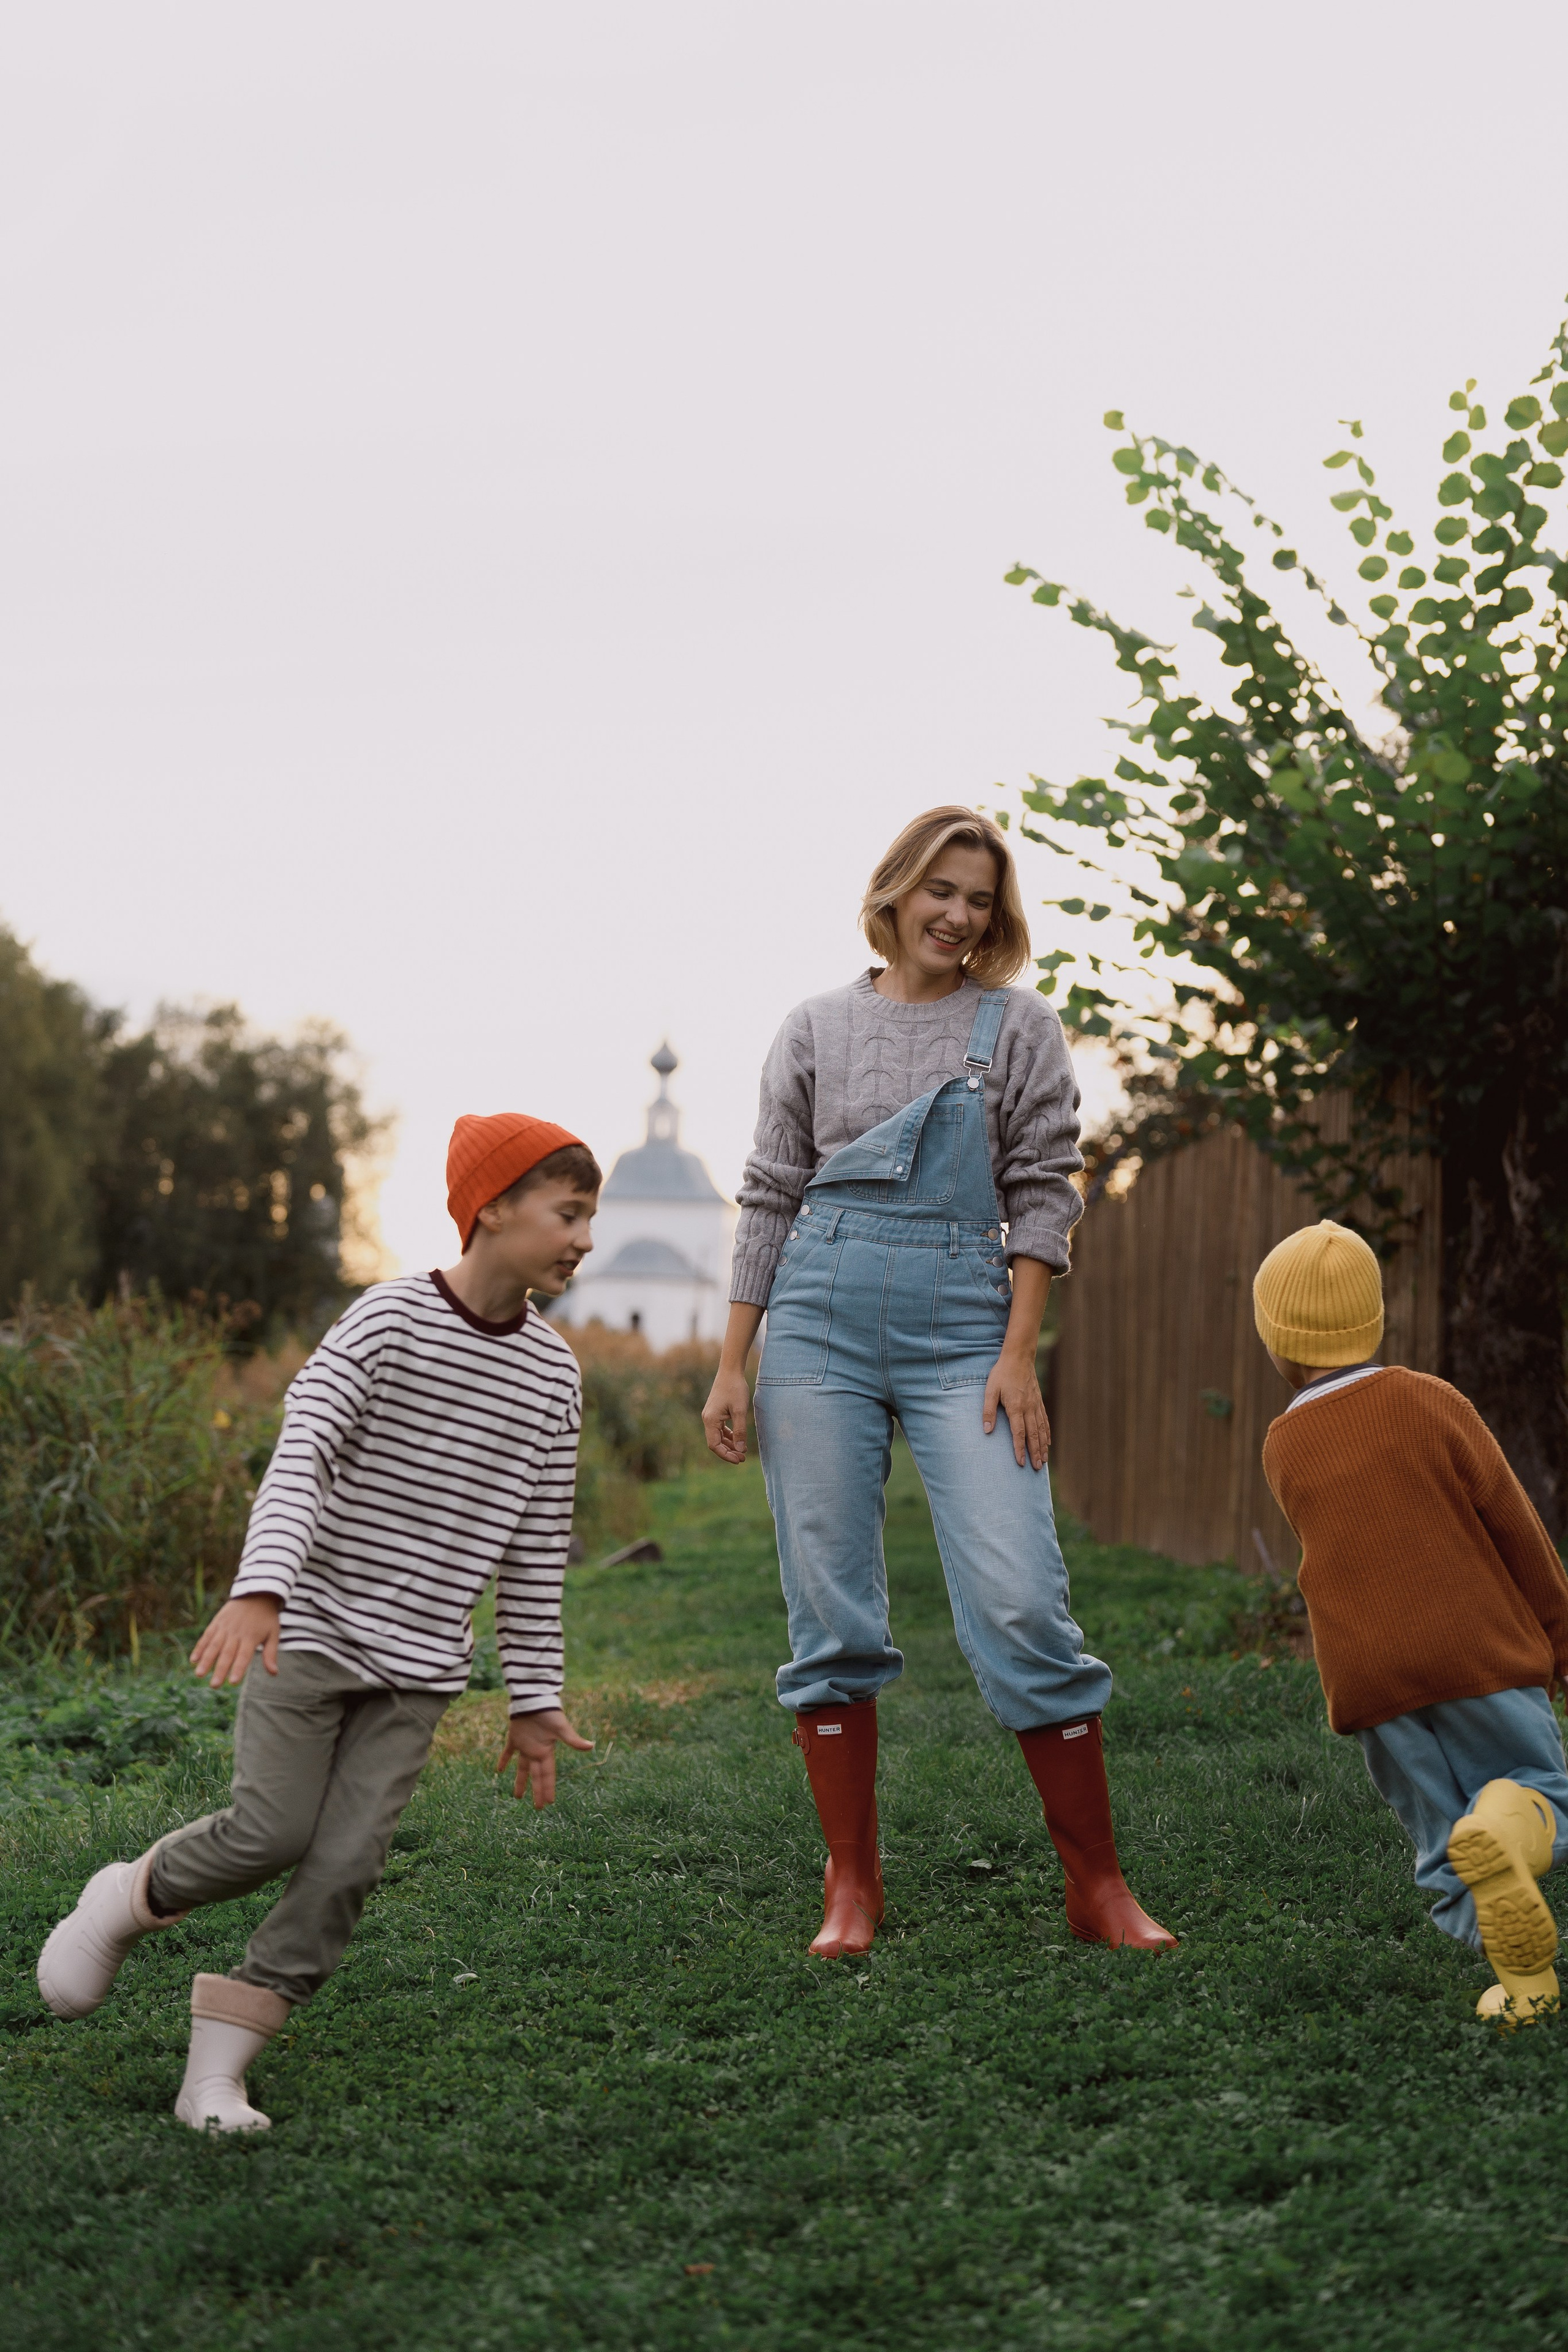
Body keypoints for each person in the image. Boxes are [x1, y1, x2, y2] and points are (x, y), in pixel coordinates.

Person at [36, 1113, 600, 2127]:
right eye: (568, 1214)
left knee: (344, 1866)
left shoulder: (554, 1376)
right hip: (314, 1631)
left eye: (589, 1219)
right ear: (494, 1208)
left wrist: (534, 1697)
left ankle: (216, 2072)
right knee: (271, 1831)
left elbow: (535, 1548)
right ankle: (125, 1895)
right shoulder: (388, 1319)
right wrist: (264, 1587)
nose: (584, 1239)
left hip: (420, 1668)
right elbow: (303, 1451)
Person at [703, 805, 1175, 1959]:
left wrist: (1020, 1354)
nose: (958, 916)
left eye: (978, 899)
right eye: (941, 891)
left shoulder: (1018, 1028)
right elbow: (769, 1193)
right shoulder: (814, 1027)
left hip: (969, 1332)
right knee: (829, 1608)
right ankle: (851, 1887)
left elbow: (1045, 1190)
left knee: (1021, 1599)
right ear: (898, 891)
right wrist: (733, 1357)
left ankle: (1098, 1887)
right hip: (814, 1329)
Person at [1255, 1219, 1568, 2025]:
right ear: (1374, 1321)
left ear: (1277, 1342)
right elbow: (1515, 1527)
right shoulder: (1432, 1402)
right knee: (1534, 1791)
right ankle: (1510, 1827)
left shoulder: (1284, 1444)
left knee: (1445, 1840)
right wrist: (1558, 1634)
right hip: (1477, 1651)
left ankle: (1525, 1990)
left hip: (1370, 1679)